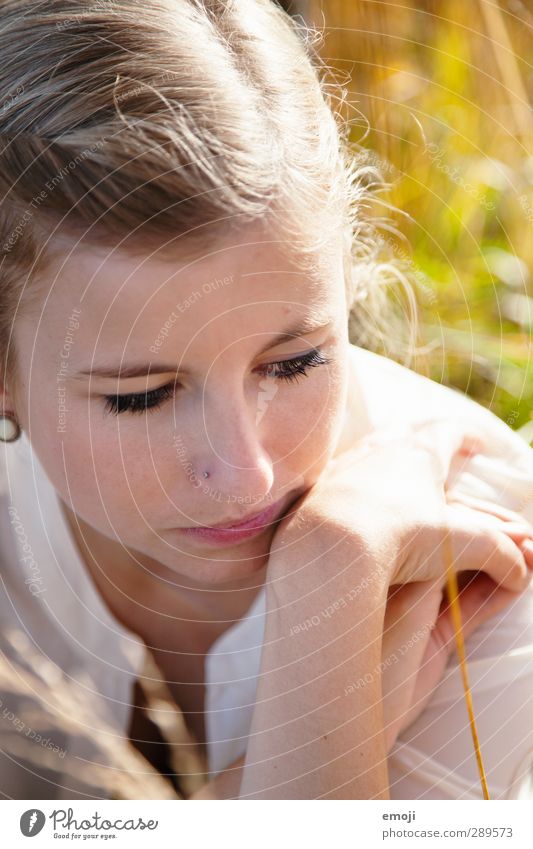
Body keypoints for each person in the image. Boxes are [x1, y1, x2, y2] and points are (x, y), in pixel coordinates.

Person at [0, 0, 532, 800]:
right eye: (141, 397)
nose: (247, 474)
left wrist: (337, 565)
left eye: (294, 362)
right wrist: (324, 709)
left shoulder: (484, 568)